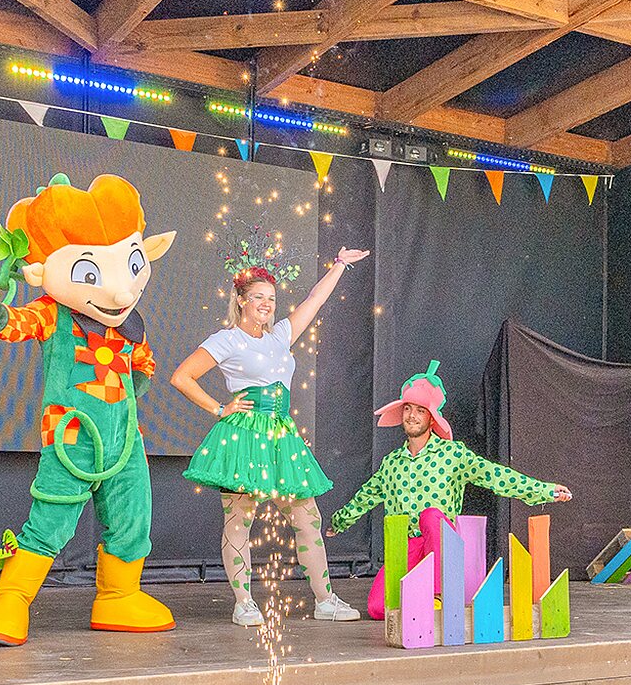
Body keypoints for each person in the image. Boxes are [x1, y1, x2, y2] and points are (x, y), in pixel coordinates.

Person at [0, 174, 176, 647]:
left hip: (125, 438)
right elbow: (13, 325)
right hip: (72, 433)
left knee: (133, 513)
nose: (119, 293)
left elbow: (146, 364)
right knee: (53, 516)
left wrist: (128, 393)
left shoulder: (127, 326)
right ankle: (10, 599)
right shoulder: (54, 313)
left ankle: (119, 595)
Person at [171, 247, 369, 627]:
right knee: (239, 519)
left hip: (281, 435)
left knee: (307, 517)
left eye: (272, 298)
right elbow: (182, 376)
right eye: (258, 297)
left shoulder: (280, 336)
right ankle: (243, 602)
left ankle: (325, 599)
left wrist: (339, 264)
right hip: (245, 434)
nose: (266, 304)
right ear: (242, 301)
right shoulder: (226, 340)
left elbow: (315, 299)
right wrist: (219, 409)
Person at [326, 361, 572, 620]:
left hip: (442, 545)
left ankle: (437, 596)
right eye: (407, 408)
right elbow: (366, 496)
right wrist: (339, 522)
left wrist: (545, 490)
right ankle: (419, 601)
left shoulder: (453, 455)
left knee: (431, 516)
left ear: (431, 418)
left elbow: (496, 476)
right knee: (378, 609)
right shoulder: (392, 464)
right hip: (409, 545)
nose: (411, 415)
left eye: (420, 410)